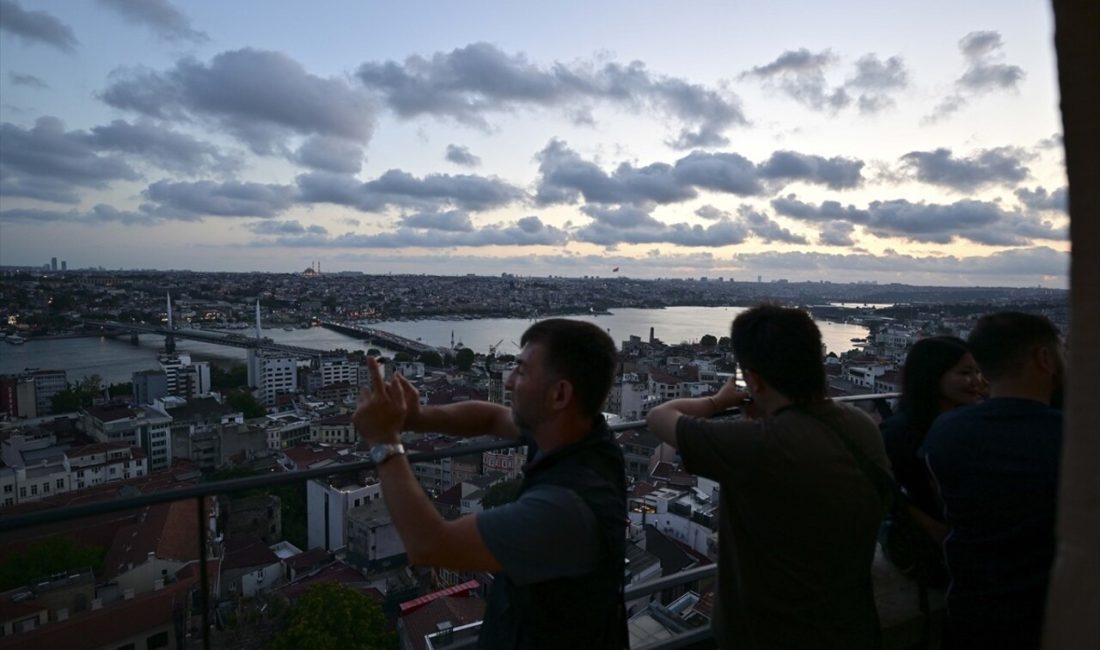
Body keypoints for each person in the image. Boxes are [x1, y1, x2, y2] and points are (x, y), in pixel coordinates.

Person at [353, 318, 627, 650]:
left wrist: (384, 442)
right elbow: (493, 417)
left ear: (560, 393)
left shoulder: (565, 510)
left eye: (522, 372)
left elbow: (430, 545)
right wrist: (419, 418)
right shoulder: (578, 435)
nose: (509, 381)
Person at [646, 304, 890, 650]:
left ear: (754, 379)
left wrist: (717, 401)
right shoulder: (860, 426)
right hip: (852, 623)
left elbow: (659, 416)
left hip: (767, 634)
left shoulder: (760, 444)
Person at [920, 312, 1064, 650]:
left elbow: (945, 503)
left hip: (973, 611)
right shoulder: (1076, 435)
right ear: (1044, 358)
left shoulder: (945, 432)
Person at [879, 336, 982, 584]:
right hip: (929, 547)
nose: (977, 381)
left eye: (978, 372)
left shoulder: (973, 424)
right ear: (932, 375)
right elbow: (888, 494)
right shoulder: (899, 433)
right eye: (966, 372)